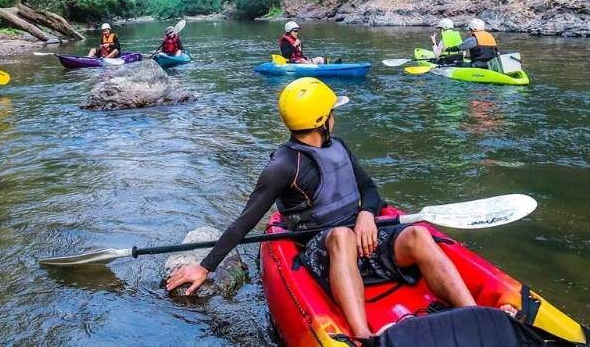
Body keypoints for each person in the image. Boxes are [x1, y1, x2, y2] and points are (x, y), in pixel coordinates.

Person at [165, 78, 517, 338]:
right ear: (321, 119)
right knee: (340, 237)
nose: (335, 117)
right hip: (324, 250)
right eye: (331, 112)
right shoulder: (283, 165)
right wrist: (206, 265)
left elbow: (369, 189)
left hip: (364, 238)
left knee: (418, 235)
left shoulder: (340, 147)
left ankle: (474, 315)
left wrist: (367, 214)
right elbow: (246, 220)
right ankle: (365, 337)